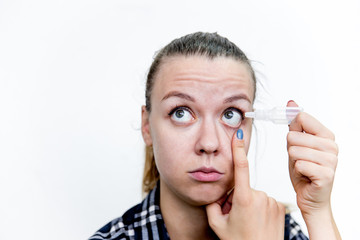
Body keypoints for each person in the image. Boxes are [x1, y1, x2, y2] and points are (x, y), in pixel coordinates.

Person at [89, 32, 340, 240]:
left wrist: (318, 212)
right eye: (181, 113)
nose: (209, 144)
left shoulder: (277, 230)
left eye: (230, 114)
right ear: (147, 126)